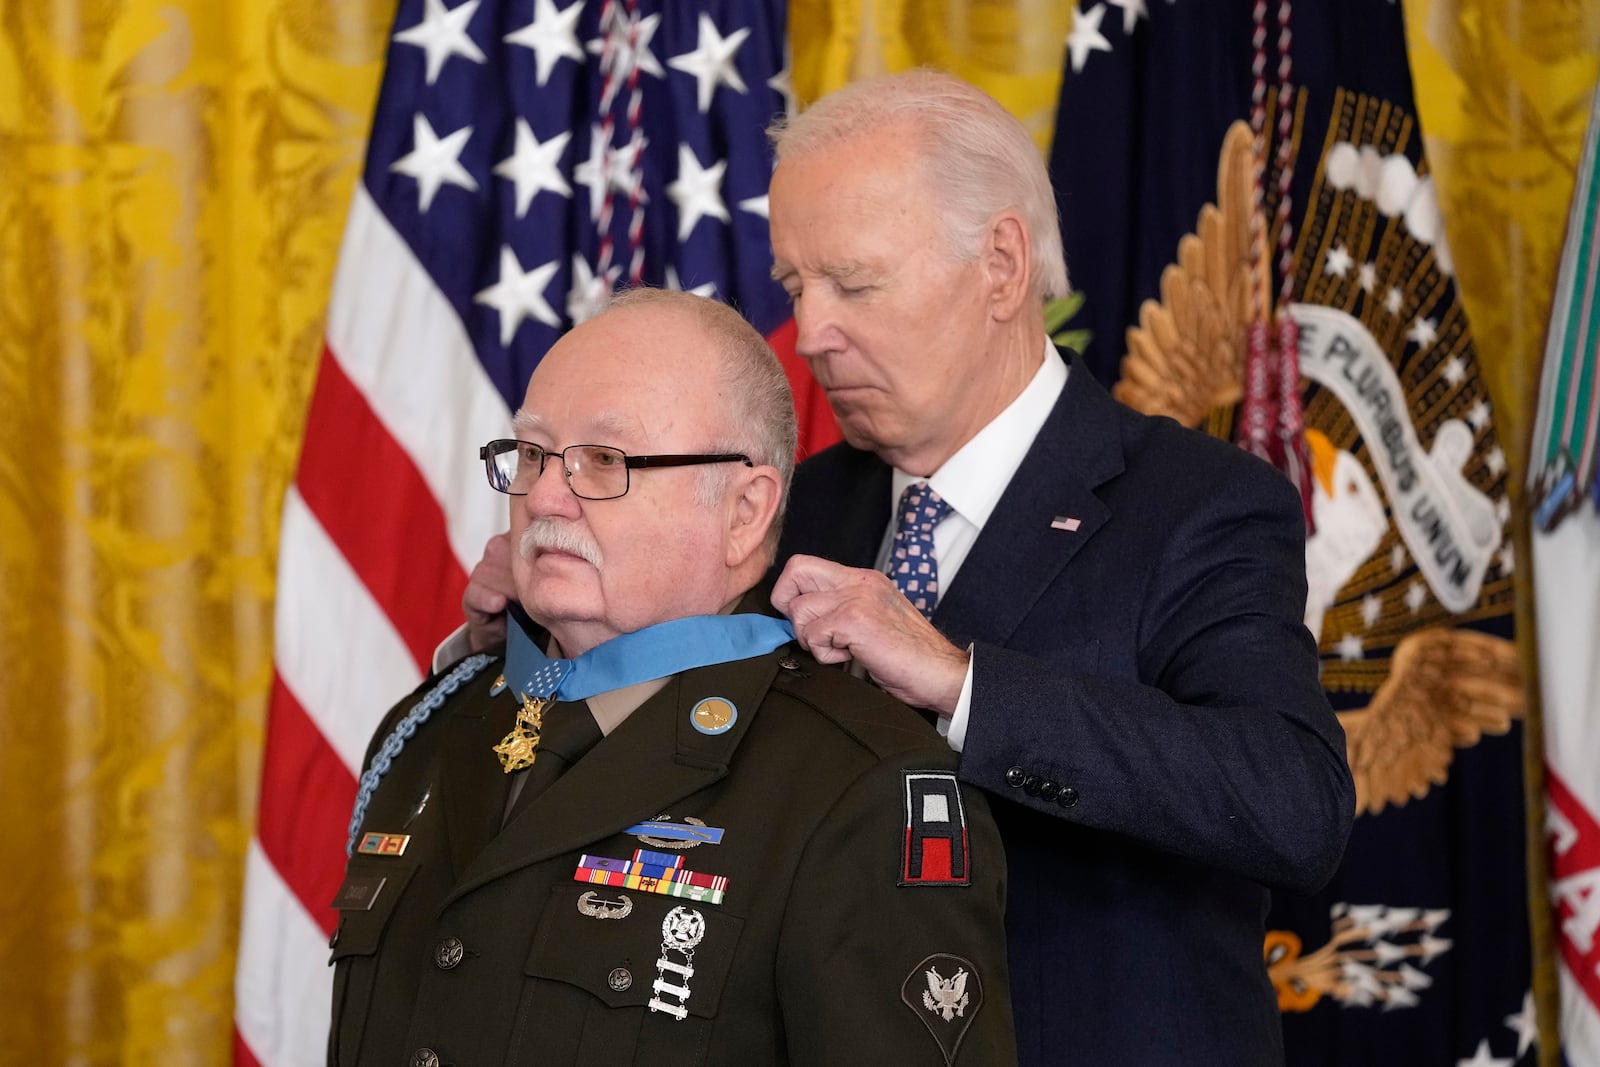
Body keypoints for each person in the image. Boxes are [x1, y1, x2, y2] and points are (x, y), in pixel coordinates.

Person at [449, 72, 1355, 1065]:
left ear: (1001, 265)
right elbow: (662, 744)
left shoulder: (1195, 503)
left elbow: (1292, 804)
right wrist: (546, 625)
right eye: (798, 287)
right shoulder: (784, 506)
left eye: (855, 282)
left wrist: (962, 683)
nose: (815, 332)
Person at [331, 289, 1015, 1066]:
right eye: (532, 454)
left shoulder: (859, 785)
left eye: (604, 461)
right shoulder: (430, 728)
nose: (546, 497)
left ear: (744, 511)